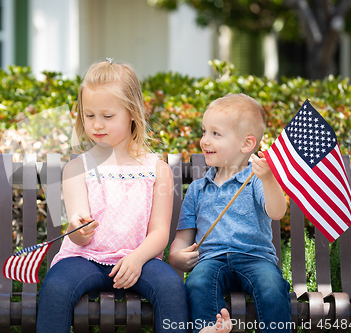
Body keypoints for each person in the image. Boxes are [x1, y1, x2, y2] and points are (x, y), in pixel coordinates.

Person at [36, 59, 191, 332]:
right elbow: (76, 230)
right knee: (56, 287)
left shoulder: (156, 170)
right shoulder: (76, 168)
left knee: (170, 287)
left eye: (107, 116)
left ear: (132, 112)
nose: (97, 125)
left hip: (139, 260)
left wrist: (136, 259)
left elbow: (159, 233)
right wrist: (77, 228)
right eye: (89, 115)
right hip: (84, 259)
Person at [169, 93, 292, 333]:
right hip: (211, 259)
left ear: (246, 144)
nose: (205, 140)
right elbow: (183, 237)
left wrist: (268, 178)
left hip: (256, 258)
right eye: (204, 131)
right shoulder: (197, 189)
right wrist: (176, 256)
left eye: (216, 134)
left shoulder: (256, 180)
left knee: (272, 286)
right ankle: (211, 330)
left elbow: (277, 212)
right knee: (198, 282)